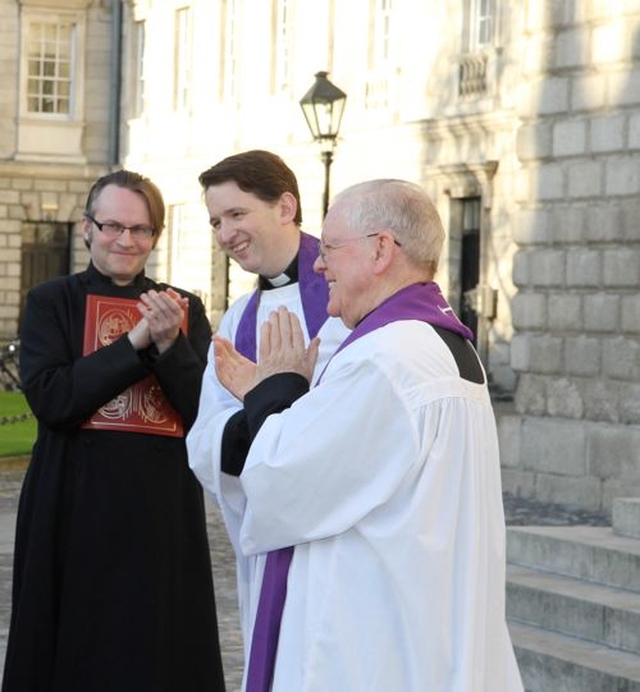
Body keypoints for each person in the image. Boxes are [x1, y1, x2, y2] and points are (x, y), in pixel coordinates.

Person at [210, 179, 525, 691]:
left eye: (330, 248)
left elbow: (283, 481)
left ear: (381, 250)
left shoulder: (385, 358)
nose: (318, 264)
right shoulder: (432, 343)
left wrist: (274, 390)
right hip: (417, 621)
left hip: (367, 641)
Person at [2, 170, 226, 691]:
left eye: (142, 230)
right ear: (87, 228)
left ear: (155, 236)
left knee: (157, 645)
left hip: (159, 508)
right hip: (73, 504)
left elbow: (202, 412)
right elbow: (54, 400)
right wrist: (136, 343)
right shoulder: (50, 301)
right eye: (113, 226)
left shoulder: (182, 307)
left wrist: (171, 346)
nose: (127, 240)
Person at [186, 150, 349, 664]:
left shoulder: (352, 300)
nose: (224, 234)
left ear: (285, 206)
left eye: (236, 215)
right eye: (215, 221)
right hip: (271, 532)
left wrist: (267, 399)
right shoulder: (239, 320)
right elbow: (204, 435)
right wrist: (252, 416)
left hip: (344, 533)